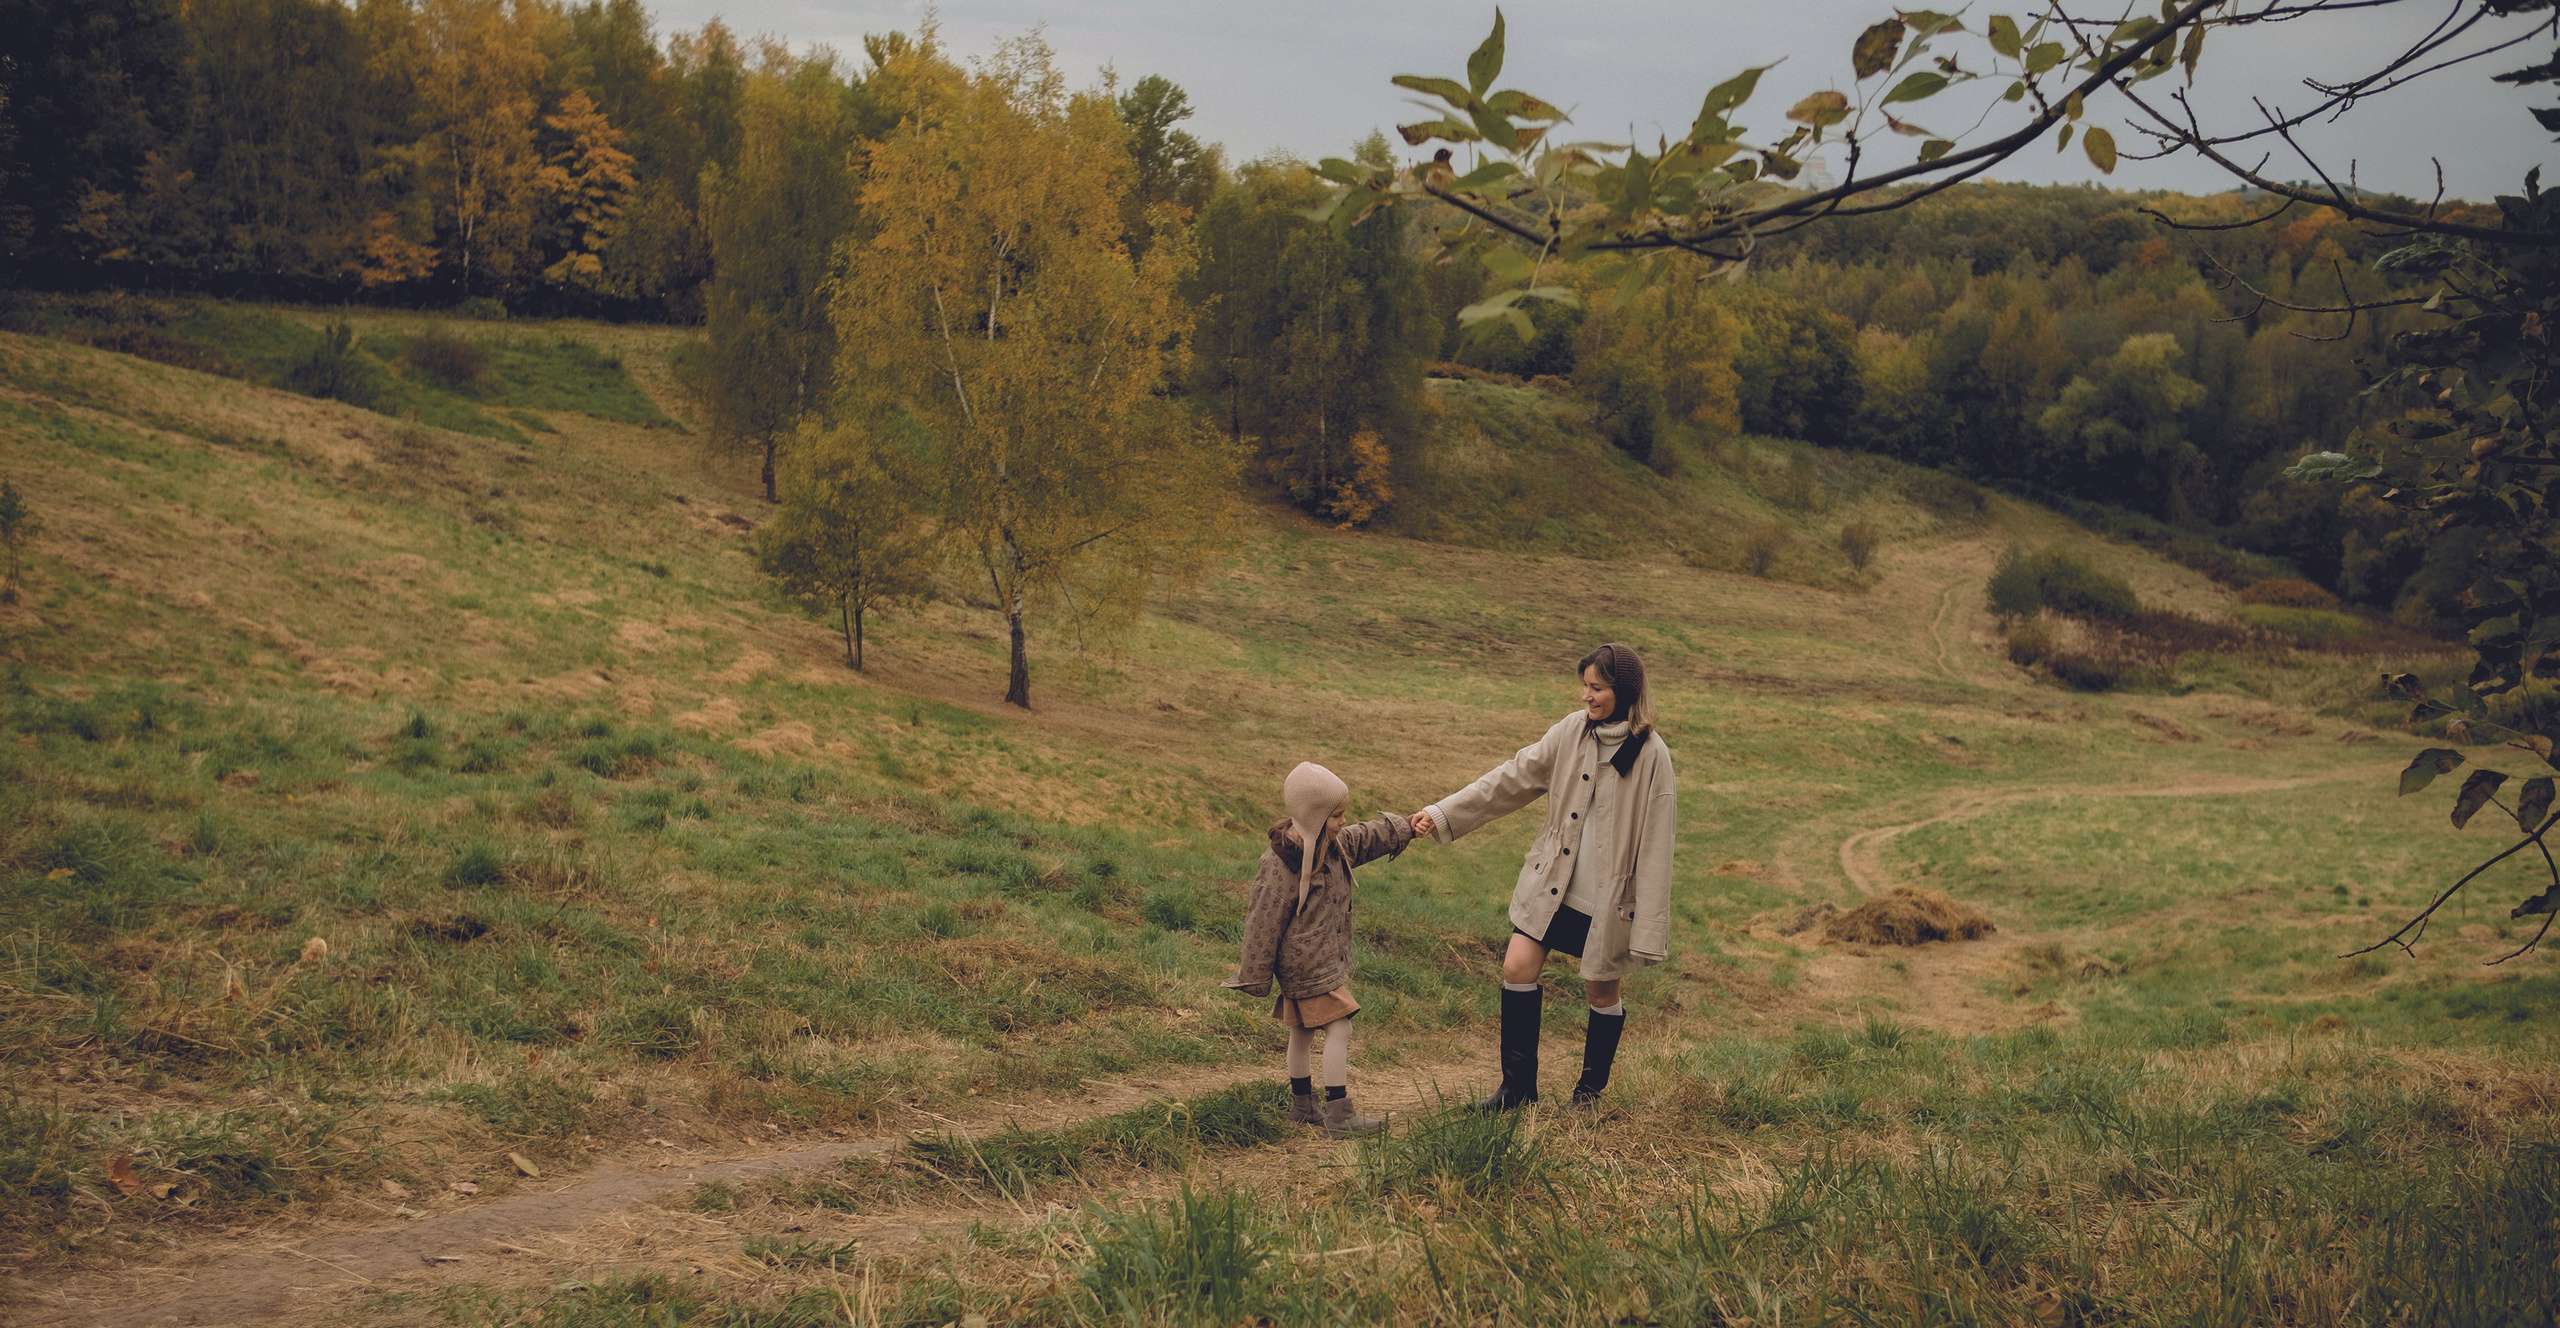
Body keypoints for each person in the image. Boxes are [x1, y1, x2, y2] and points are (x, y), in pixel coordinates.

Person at [1412, 643, 1677, 1110]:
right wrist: (1442, 814)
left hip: (1607, 903)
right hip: (1552, 886)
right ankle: (1517, 1091)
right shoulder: (1571, 732)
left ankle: (1588, 1094)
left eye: (1596, 688)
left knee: (1600, 989)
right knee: (1517, 966)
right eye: (1585, 686)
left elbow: (1658, 846)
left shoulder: (1654, 756)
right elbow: (1511, 779)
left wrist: (1648, 929)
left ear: (1624, 690)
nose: (1585, 697)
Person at [1225, 762, 1414, 1137]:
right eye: (1336, 815)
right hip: (1305, 963)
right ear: (1313, 815)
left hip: (1315, 959)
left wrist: (1409, 826)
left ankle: (1302, 1106)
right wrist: (1253, 975)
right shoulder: (1280, 864)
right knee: (1339, 1026)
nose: (1344, 821)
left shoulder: (1332, 845)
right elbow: (1262, 921)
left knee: (1302, 1032)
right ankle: (1339, 1115)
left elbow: (1366, 837)